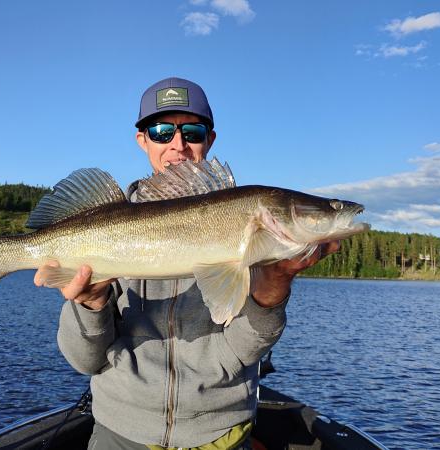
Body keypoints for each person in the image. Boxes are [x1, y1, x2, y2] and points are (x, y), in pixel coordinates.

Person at [34, 77, 340, 449]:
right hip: (121, 433)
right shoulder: (105, 222)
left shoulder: (255, 238)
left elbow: (245, 352)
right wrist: (91, 304)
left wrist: (272, 290)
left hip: (220, 436)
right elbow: (85, 362)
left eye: (192, 132)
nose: (178, 145)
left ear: (210, 140)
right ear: (142, 140)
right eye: (161, 132)